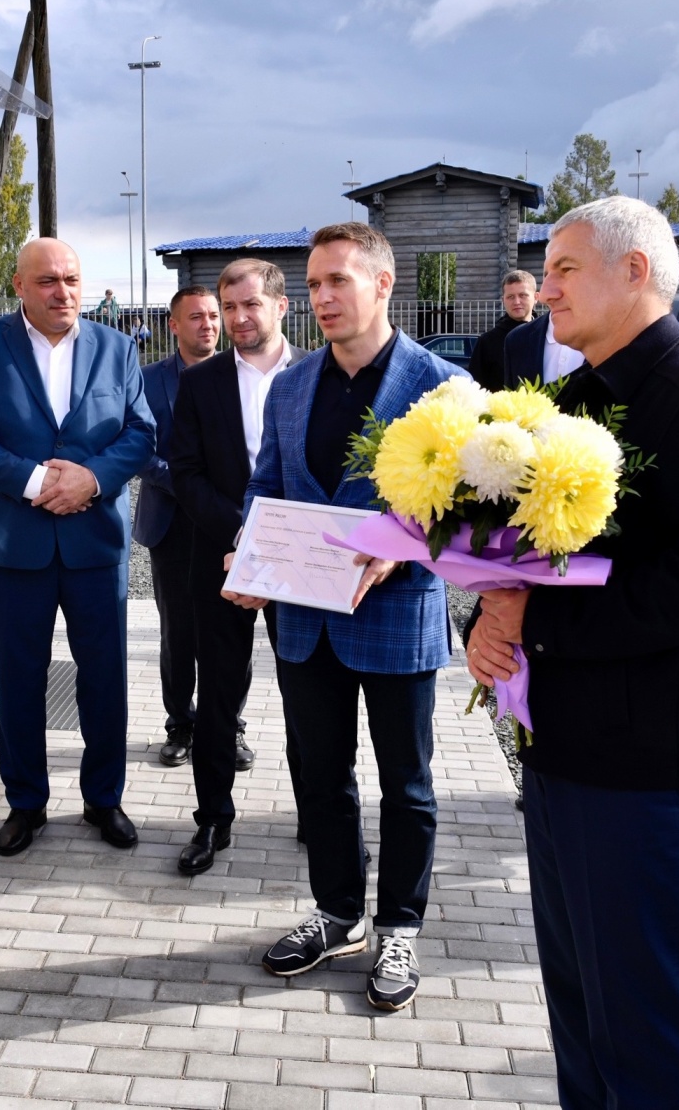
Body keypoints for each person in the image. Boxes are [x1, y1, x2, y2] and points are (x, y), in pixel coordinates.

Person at [467, 196, 679, 1110]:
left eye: (564, 269)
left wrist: (542, 625)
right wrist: (493, 600)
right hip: (564, 742)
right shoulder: (573, 399)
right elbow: (526, 552)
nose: (544, 287)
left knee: (648, 1017)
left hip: (651, 758)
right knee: (581, 1007)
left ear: (636, 271)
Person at [237, 221, 461, 1012]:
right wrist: (249, 554)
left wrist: (404, 545)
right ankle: (337, 914)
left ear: (383, 284)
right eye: (313, 285)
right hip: (305, 618)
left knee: (407, 784)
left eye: (338, 281)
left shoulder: (440, 388)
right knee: (319, 778)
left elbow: (468, 511)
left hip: (395, 612)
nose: (322, 298)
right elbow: (267, 486)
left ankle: (400, 924)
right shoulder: (292, 385)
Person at [0, 238, 154, 857]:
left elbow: (140, 432)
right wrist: (38, 482)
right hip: (12, 543)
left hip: (95, 541)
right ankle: (25, 803)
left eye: (71, 279)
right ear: (19, 286)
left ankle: (103, 798)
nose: (62, 291)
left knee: (105, 677)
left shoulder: (117, 348)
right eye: (47, 281)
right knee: (18, 677)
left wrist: (91, 478)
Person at [168, 259, 305, 874]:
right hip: (220, 562)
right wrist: (245, 534)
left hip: (304, 565)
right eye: (229, 308)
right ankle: (212, 821)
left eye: (251, 304)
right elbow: (185, 474)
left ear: (280, 305)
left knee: (309, 697)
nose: (238, 318)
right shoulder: (199, 385)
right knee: (218, 696)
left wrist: (279, 539)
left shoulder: (318, 374)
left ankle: (317, 813)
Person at [136, 286, 226, 768]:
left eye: (213, 315)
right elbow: (139, 450)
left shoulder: (240, 375)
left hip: (226, 526)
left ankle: (226, 726)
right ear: (174, 325)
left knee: (231, 631)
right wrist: (191, 487)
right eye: (195, 317)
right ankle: (180, 724)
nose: (207, 324)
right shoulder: (148, 380)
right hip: (171, 523)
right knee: (178, 633)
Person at [465, 269, 538, 390]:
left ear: (536, 297)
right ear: (503, 300)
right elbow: (476, 390)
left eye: (523, 295)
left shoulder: (549, 336)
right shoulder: (487, 342)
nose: (517, 302)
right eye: (510, 297)